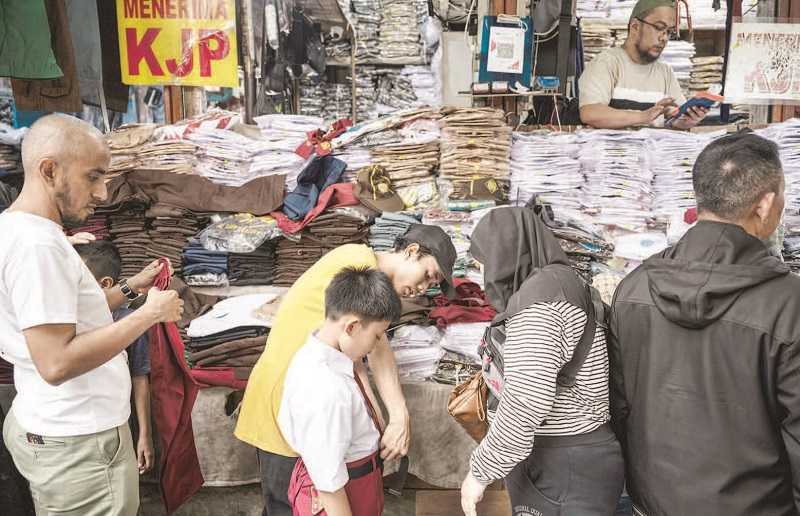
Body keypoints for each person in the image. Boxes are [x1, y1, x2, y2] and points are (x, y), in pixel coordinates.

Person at [0, 114, 183, 515]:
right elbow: (56, 361)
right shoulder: (37, 247)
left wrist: (131, 289)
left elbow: (67, 316)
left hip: (57, 426)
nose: (102, 192)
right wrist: (148, 315)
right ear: (49, 170)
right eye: (93, 177)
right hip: (80, 445)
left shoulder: (17, 229)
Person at [609, 132, 799, 516]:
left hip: (655, 501)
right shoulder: (788, 302)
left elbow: (620, 408)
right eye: (782, 195)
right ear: (764, 204)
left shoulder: (634, 287)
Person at [235, 224, 456, 515]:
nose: (424, 288)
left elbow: (362, 358)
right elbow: (377, 350)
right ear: (412, 251)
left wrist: (383, 418)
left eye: (432, 284)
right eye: (428, 275)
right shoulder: (358, 263)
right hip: (282, 398)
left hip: (304, 403)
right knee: (288, 504)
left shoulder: (367, 297)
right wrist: (398, 416)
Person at [461, 207, 624, 516]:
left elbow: (527, 400)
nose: (482, 275)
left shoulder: (541, 304)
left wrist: (479, 472)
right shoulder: (563, 287)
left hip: (562, 465)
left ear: (503, 255)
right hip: (574, 460)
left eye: (483, 262)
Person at [278, 267, 402, 516]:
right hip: (342, 500)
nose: (376, 344)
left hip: (358, 485)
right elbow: (329, 484)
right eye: (377, 336)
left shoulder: (323, 357)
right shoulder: (326, 390)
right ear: (352, 327)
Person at [75, 240, 154, 475]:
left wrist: (145, 435)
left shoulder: (129, 321)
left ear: (105, 284)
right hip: (74, 428)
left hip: (116, 426)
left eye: (76, 277)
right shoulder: (64, 317)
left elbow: (140, 378)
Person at [578, 0, 709, 130]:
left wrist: (685, 121)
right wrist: (643, 116)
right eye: (659, 27)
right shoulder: (607, 63)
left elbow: (674, 118)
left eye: (669, 32)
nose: (664, 38)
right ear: (635, 26)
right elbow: (590, 113)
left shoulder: (665, 72)